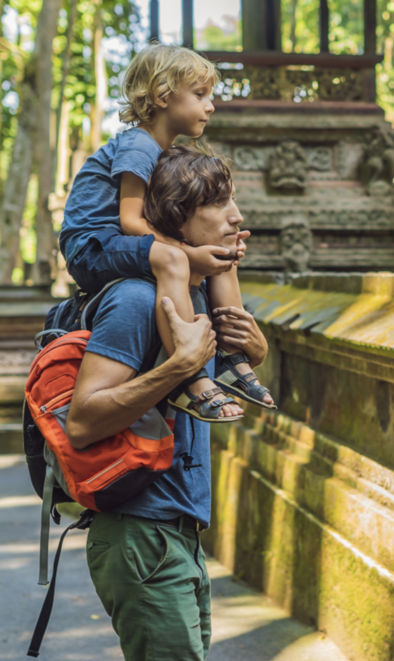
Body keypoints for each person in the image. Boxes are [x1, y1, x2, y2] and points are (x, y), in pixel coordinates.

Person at [65, 145, 268, 661]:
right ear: (176, 215)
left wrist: (252, 353)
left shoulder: (193, 299)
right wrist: (178, 368)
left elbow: (212, 392)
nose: (236, 216)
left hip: (177, 533)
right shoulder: (137, 299)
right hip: (141, 532)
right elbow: (83, 421)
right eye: (218, 202)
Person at [58, 44, 274, 422]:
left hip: (122, 242)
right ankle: (189, 374)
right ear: (162, 96)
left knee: (223, 253)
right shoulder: (139, 145)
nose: (210, 106)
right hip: (92, 246)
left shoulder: (166, 152)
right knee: (175, 257)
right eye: (200, 95)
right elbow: (130, 221)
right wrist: (187, 253)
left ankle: (233, 358)